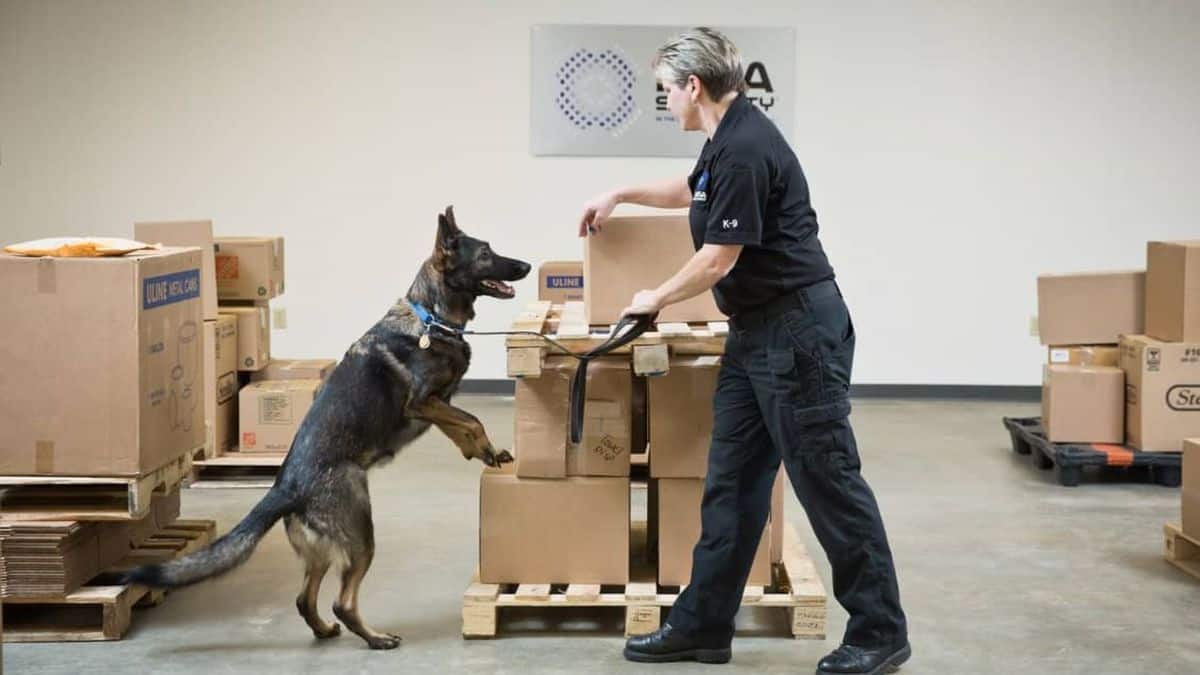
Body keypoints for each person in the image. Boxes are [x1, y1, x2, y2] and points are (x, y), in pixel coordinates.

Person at [578, 27, 910, 675]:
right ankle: (703, 625)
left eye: (666, 92)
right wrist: (619, 193)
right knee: (730, 482)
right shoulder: (725, 138)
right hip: (757, 333)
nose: (665, 102)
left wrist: (654, 296)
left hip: (798, 334)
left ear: (693, 87)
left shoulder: (746, 147)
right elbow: (690, 191)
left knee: (828, 481)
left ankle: (880, 630)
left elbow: (718, 257)